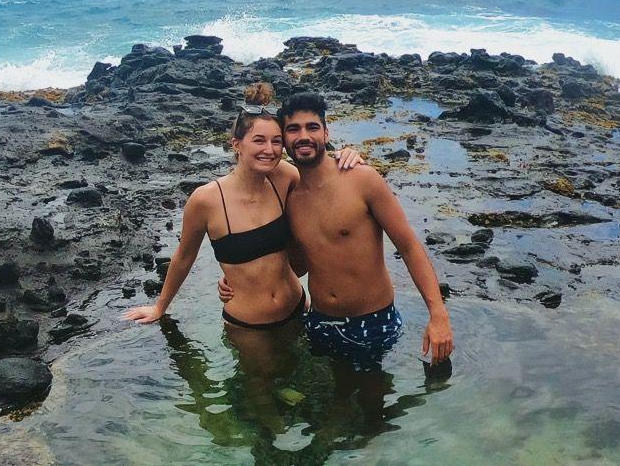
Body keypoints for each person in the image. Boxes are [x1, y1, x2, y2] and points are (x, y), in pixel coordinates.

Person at [248, 92, 455, 369]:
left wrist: (438, 314)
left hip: (372, 321)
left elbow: (408, 246)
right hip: (319, 321)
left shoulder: (361, 179)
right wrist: (240, 278)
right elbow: (295, 267)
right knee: (332, 404)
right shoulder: (289, 195)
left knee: (374, 407)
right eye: (293, 129)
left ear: (326, 132)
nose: (303, 136)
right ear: (284, 139)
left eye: (312, 127)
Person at [120, 104, 365, 336]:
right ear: (236, 144)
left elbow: (322, 182)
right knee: (259, 381)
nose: (269, 150)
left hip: (299, 309)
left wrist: (344, 157)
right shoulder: (206, 199)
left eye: (276, 141)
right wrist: (160, 307)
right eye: (259, 140)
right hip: (249, 327)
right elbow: (184, 257)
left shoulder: (283, 177)